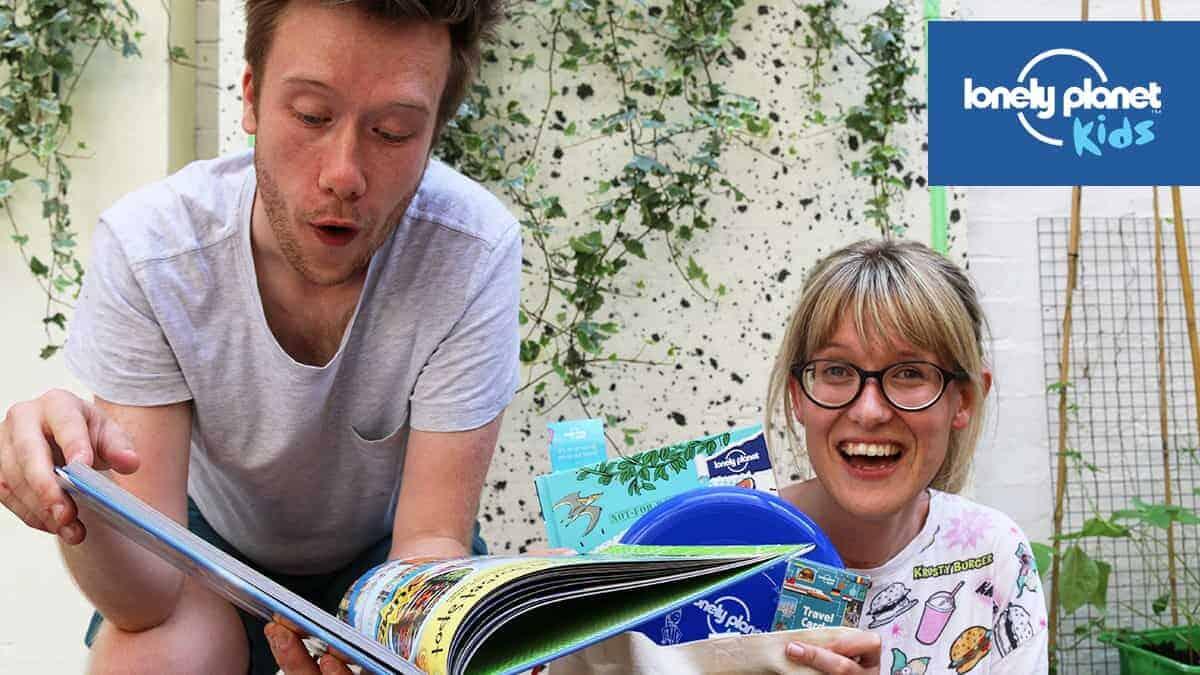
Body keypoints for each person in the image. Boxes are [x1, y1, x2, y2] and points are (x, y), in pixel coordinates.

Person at [0, 0, 518, 672]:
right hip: (206, 553)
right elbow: (144, 598)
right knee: (153, 653)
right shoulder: (155, 250)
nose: (343, 175)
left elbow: (429, 540)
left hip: (391, 559)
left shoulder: (472, 250)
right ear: (250, 96)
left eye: (392, 132)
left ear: (434, 134)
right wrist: (79, 491)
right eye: (311, 115)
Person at [766, 239, 1049, 674]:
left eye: (909, 373)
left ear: (964, 400)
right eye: (837, 370)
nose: (869, 411)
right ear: (798, 396)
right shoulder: (731, 547)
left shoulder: (994, 557)